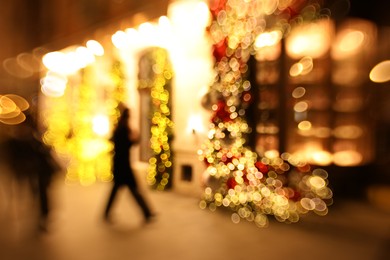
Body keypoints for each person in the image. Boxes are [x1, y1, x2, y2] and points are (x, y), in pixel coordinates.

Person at [104, 107, 154, 223]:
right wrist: (136, 137)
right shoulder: (124, 129)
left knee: (120, 191)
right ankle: (147, 213)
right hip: (124, 166)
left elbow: (113, 141)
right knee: (134, 190)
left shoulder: (118, 128)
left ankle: (147, 213)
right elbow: (128, 144)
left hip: (119, 164)